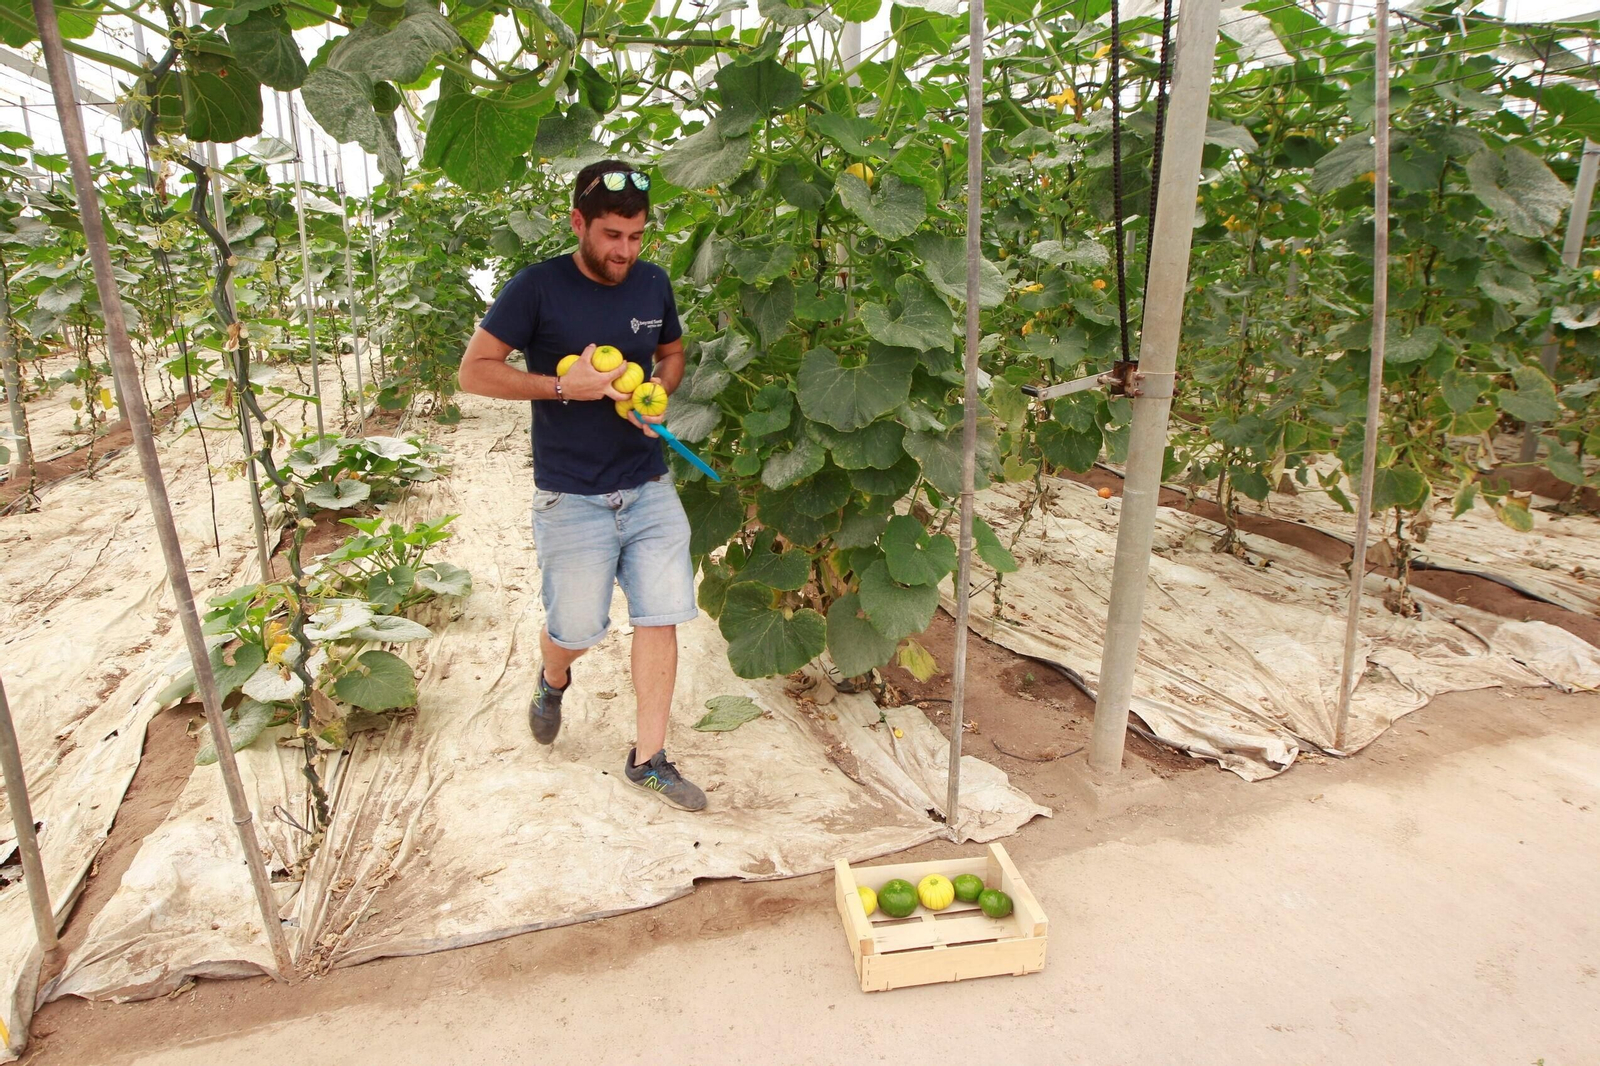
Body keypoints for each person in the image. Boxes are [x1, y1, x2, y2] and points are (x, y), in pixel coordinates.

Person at [457, 160, 706, 812]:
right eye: (612, 236)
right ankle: (553, 674)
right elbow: (474, 372)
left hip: (647, 484)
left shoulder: (652, 283)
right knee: (578, 627)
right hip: (570, 496)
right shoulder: (537, 287)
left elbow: (671, 354)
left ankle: (648, 759)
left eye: (636, 236)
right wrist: (562, 386)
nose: (625, 251)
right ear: (578, 223)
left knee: (661, 615)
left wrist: (658, 393)